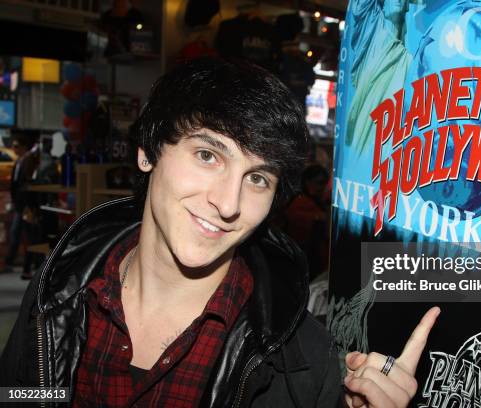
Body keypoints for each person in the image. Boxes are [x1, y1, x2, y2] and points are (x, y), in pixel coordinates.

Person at [0, 57, 439, 407]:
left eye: (257, 178)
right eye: (208, 155)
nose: (228, 204)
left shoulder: (301, 361)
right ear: (148, 152)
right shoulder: (62, 287)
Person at [4, 133, 38, 278]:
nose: (14, 149)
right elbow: (15, 183)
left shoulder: (28, 160)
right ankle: (23, 263)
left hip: (26, 205)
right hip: (20, 204)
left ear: (24, 147)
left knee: (24, 233)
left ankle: (23, 264)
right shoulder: (19, 161)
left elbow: (27, 182)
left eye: (16, 146)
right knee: (20, 233)